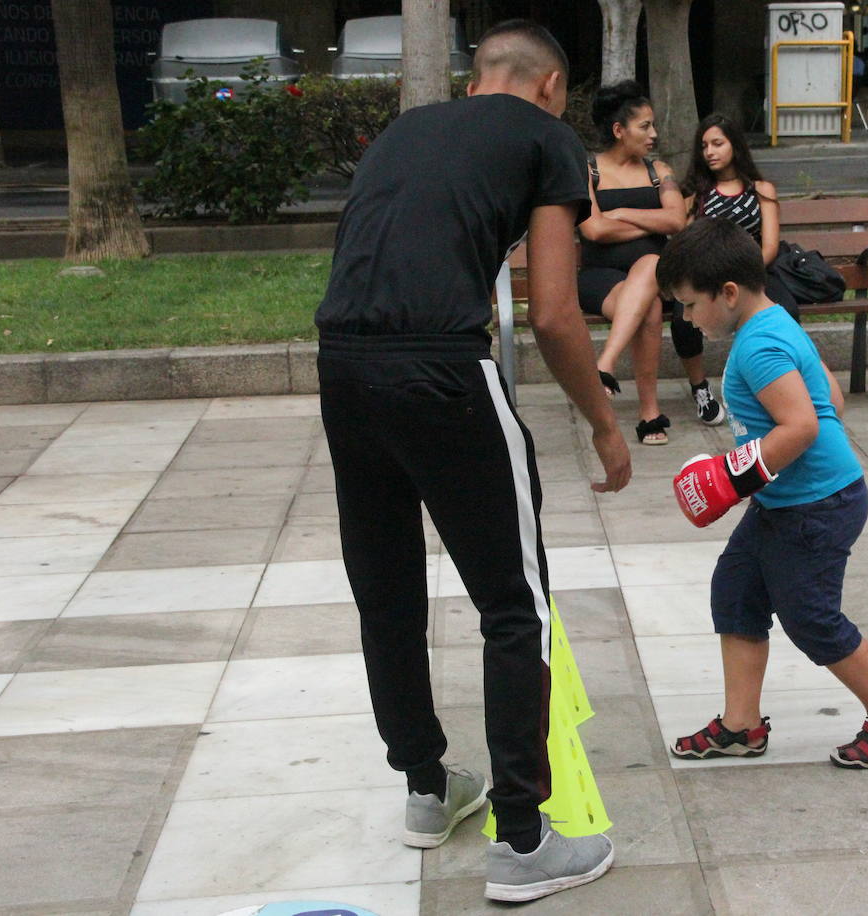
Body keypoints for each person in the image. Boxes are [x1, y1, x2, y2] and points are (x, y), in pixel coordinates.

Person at [314, 20, 626, 903]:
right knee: (514, 605)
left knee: (386, 590)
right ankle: (522, 840)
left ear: (477, 76)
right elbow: (554, 313)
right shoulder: (546, 137)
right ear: (551, 85)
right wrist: (605, 424)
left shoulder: (405, 130)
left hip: (342, 365)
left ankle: (426, 786)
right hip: (442, 369)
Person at [659, 217, 868, 770]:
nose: (686, 318)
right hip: (793, 499)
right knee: (736, 593)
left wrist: (731, 477)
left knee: (811, 618)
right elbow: (830, 400)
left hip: (816, 505)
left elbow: (801, 425)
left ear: (728, 293)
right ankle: (741, 725)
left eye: (689, 305)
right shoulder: (777, 318)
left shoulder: (756, 348)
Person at [578, 81, 714, 445]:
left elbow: (677, 221)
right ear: (618, 130)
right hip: (600, 279)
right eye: (645, 126)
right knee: (650, 301)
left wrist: (619, 213)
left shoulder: (659, 171)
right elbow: (593, 229)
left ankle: (605, 365)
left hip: (654, 273)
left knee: (652, 266)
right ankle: (649, 413)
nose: (654, 134)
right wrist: (649, 222)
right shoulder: (588, 170)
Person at [682, 113, 799, 321]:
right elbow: (687, 246)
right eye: (704, 146)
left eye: (717, 144)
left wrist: (742, 274)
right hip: (707, 276)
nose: (709, 152)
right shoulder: (696, 193)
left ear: (735, 145)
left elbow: (770, 247)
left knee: (786, 311)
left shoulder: (761, 190)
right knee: (683, 320)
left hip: (754, 273)